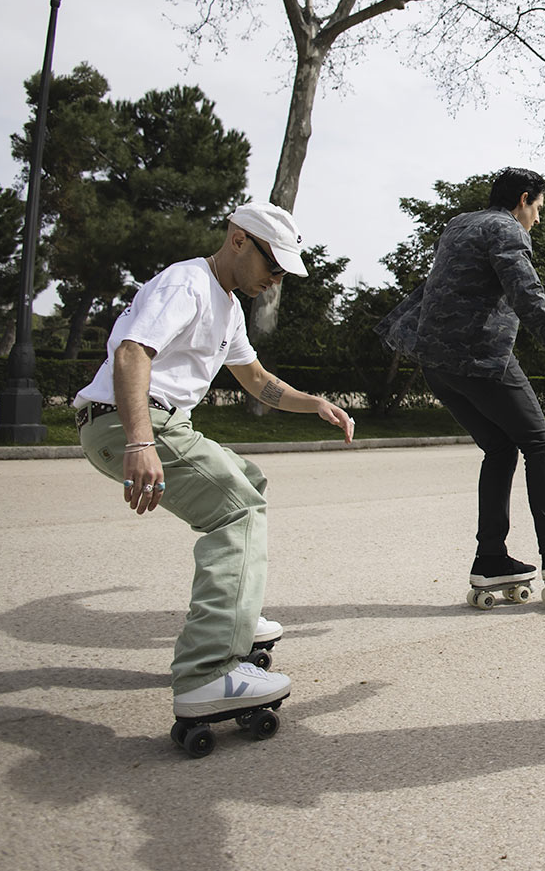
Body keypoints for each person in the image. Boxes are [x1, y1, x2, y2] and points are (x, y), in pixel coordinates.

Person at [74, 202, 355, 723]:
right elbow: (133, 352)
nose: (273, 282)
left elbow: (255, 378)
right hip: (129, 420)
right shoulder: (187, 284)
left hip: (160, 422)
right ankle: (207, 673)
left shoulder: (228, 306)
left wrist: (312, 401)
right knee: (238, 512)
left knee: (248, 480)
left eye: (282, 275)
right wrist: (140, 442)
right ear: (240, 240)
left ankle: (236, 612)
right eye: (272, 267)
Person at [378, 167, 545, 599]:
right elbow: (527, 293)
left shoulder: (459, 225)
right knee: (539, 443)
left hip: (436, 362)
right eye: (537, 208)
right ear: (523, 200)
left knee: (500, 448)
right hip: (478, 357)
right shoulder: (507, 230)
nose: (537, 218)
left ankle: (491, 559)